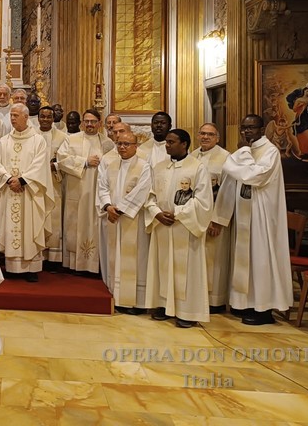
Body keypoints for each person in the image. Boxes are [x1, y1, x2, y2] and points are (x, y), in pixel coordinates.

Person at [211, 114, 293, 325]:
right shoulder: (243, 151)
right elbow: (229, 176)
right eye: (244, 128)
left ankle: (264, 310)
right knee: (244, 262)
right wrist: (221, 216)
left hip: (261, 217)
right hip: (244, 215)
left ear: (262, 128)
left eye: (252, 128)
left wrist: (244, 153)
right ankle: (244, 303)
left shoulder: (270, 152)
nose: (247, 132)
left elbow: (254, 176)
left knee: (260, 261)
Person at [145, 129, 213, 328]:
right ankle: (163, 305)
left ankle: (187, 312)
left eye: (171, 142)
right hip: (162, 225)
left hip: (185, 227)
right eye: (166, 142)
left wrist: (178, 213)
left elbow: (204, 202)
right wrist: (156, 212)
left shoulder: (197, 168)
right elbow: (149, 196)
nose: (167, 145)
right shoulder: (159, 167)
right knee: (163, 265)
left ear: (184, 144)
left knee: (187, 271)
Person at [0, 103, 53, 282]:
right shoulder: (5, 140)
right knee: (11, 227)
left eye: (16, 115)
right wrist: (9, 179)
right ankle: (11, 267)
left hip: (29, 193)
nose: (12, 118)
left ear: (26, 117)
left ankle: (31, 268)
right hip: (10, 190)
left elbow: (40, 164)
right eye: (11, 115)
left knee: (30, 225)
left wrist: (23, 180)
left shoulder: (37, 140)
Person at [96, 131, 151, 314]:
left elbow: (143, 190)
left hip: (132, 219)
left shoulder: (144, 166)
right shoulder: (111, 165)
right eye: (119, 144)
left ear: (136, 146)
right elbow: (102, 187)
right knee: (116, 258)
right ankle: (117, 297)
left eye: (127, 144)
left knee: (135, 260)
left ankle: (136, 302)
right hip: (114, 218)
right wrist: (107, 206)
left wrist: (119, 209)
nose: (122, 147)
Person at [56, 109, 113, 274]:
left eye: (93, 121)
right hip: (78, 191)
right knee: (76, 225)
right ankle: (75, 264)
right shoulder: (71, 139)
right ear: (82, 123)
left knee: (95, 225)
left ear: (99, 123)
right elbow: (62, 159)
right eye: (87, 121)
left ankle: (96, 264)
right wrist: (84, 162)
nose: (89, 124)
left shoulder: (108, 143)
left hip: (98, 192)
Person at [191, 123, 231, 313]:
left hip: (214, 217)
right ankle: (198, 296)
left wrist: (218, 220)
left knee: (215, 259)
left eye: (210, 134)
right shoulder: (193, 155)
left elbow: (226, 193)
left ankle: (215, 301)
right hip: (195, 217)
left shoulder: (225, 158)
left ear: (218, 137)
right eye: (202, 134)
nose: (205, 137)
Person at [37, 105, 69, 265]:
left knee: (54, 218)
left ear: (53, 118)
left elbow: (66, 159)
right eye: (42, 116)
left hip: (55, 183)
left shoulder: (62, 137)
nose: (45, 120)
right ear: (38, 118)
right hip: (36, 184)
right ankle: (38, 254)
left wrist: (55, 165)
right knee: (37, 218)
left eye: (48, 117)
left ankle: (54, 258)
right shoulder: (32, 135)